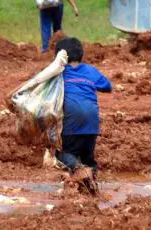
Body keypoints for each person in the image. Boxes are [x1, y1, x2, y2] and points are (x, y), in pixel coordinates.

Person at [54, 37, 113, 193]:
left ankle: (79, 170)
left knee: (62, 154)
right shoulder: (90, 70)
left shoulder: (58, 72)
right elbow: (107, 86)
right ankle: (92, 190)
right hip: (92, 123)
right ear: (81, 55)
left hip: (71, 121)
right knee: (88, 158)